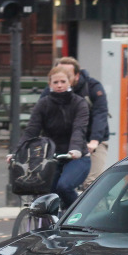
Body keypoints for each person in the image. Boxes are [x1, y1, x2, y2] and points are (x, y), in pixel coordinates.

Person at [22, 65, 90, 209]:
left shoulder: (79, 103)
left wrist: (75, 150)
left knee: (64, 186)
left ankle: (80, 214)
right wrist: (17, 152)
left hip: (77, 156)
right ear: (50, 84)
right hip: (51, 156)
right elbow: (31, 130)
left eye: (63, 82)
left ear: (70, 82)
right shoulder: (43, 104)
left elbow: (79, 129)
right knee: (47, 194)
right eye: (56, 82)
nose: (59, 85)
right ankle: (51, 226)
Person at [46, 57, 109, 184]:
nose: (61, 81)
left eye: (67, 75)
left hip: (90, 139)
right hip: (64, 142)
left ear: (76, 75)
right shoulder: (53, 90)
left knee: (91, 183)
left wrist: (94, 141)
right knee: (55, 183)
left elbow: (100, 113)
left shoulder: (92, 87)